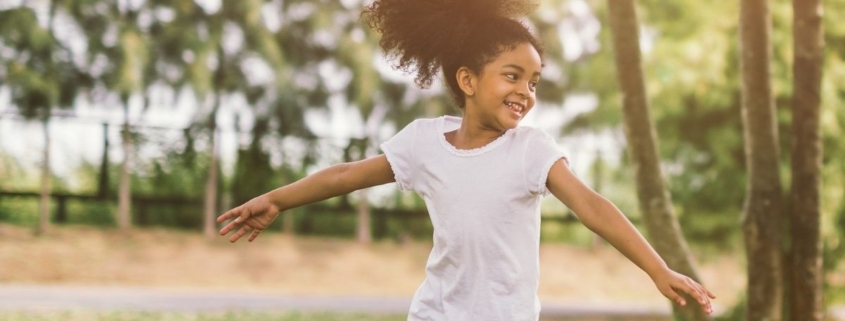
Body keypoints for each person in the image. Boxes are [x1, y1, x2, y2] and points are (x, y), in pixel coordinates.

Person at [217, 0, 716, 319]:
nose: (525, 91)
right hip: (435, 314)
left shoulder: (531, 150)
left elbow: (592, 207)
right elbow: (348, 175)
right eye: (512, 75)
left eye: (534, 81)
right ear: (468, 80)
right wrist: (276, 200)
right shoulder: (424, 143)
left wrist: (657, 270)